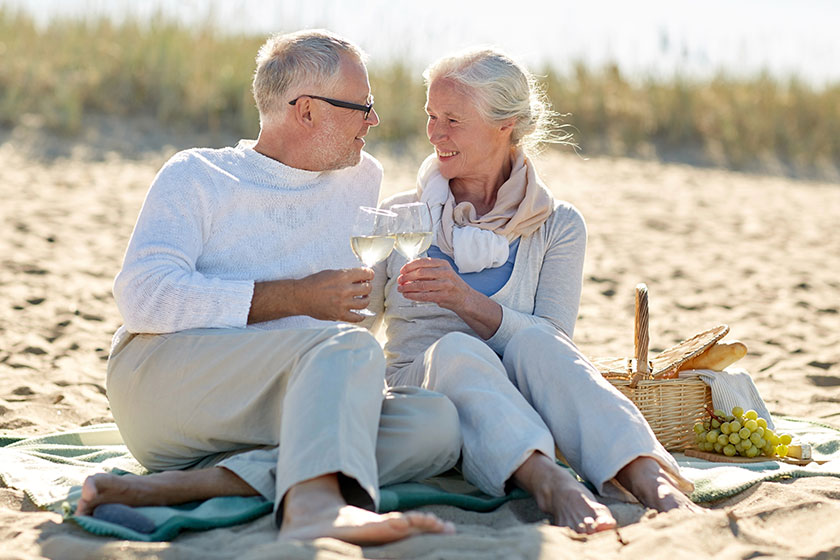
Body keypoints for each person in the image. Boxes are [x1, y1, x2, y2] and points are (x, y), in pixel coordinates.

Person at [74, 29, 462, 546]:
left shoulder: (361, 178)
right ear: (306, 111)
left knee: (436, 425)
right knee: (346, 348)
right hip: (164, 388)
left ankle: (199, 484)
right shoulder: (199, 175)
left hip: (286, 399)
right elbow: (144, 295)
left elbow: (358, 306)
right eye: (362, 106)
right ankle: (315, 507)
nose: (374, 120)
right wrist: (297, 297)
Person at [368, 46, 703, 534]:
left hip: (523, 397)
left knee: (538, 341)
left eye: (453, 119)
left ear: (506, 124)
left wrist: (464, 299)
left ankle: (650, 478)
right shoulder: (400, 216)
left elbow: (553, 345)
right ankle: (553, 484)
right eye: (431, 116)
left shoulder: (558, 225)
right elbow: (352, 326)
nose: (435, 133)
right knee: (459, 347)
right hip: (424, 393)